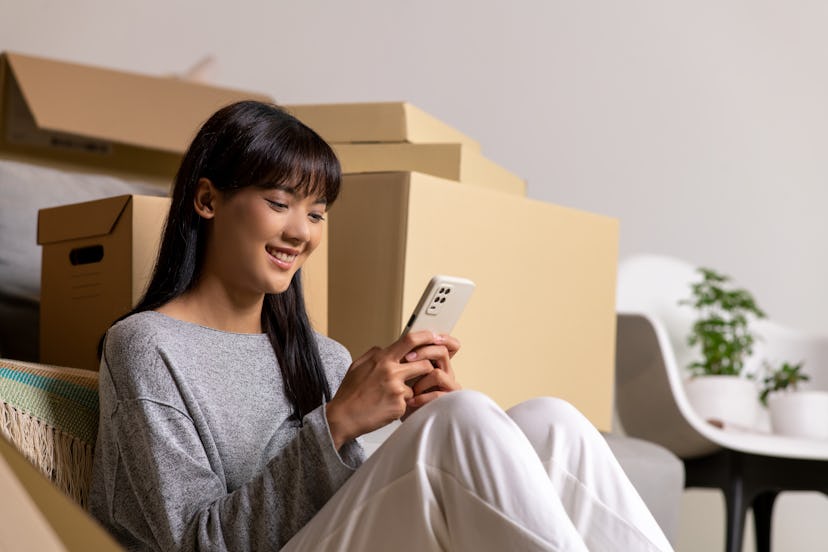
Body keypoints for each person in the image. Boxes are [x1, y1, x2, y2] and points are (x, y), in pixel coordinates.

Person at [89, 100, 673, 552]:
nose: (302, 231)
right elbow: (191, 545)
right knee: (465, 421)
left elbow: (369, 506)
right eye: (280, 202)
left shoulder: (327, 358)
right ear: (209, 200)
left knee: (551, 423)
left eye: (317, 213)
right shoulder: (147, 346)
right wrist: (338, 423)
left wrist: (432, 428)